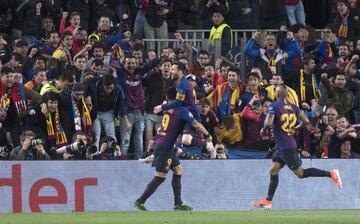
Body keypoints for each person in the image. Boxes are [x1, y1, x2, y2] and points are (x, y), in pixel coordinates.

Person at [252, 84, 343, 209]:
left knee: (301, 173)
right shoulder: (294, 107)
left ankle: (331, 174)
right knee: (273, 170)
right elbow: (305, 121)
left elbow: (268, 122)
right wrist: (296, 128)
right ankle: (268, 201)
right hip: (283, 145)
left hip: (286, 147)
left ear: (276, 94)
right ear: (287, 95)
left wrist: (264, 129)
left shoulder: (274, 106)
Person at [134, 87, 213, 211]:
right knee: (160, 176)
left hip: (165, 144)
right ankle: (140, 201)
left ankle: (178, 203)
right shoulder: (181, 110)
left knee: (178, 169)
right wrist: (208, 136)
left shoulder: (167, 108)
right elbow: (196, 124)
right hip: (165, 146)